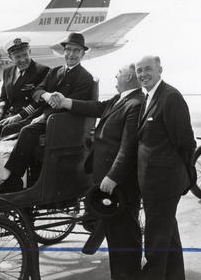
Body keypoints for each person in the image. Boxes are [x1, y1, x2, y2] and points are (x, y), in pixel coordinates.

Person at [55, 63, 144, 280]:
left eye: (119, 72)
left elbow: (128, 146)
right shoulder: (120, 99)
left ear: (129, 76)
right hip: (109, 180)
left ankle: (129, 276)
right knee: (116, 234)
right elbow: (95, 107)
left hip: (120, 183)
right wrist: (65, 101)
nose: (115, 75)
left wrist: (113, 176)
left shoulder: (136, 103)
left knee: (125, 234)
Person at [0, 32, 94, 193]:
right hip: (44, 118)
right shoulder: (55, 72)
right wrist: (47, 95)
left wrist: (44, 115)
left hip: (61, 122)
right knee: (8, 129)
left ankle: (13, 179)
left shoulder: (85, 78)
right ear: (64, 51)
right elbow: (37, 91)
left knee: (26, 131)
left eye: (76, 51)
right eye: (68, 50)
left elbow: (69, 105)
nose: (71, 54)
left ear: (82, 54)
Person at [135, 56, 196, 280]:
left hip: (164, 183)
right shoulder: (148, 97)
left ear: (160, 69)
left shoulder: (170, 97)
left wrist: (185, 175)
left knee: (155, 240)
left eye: (148, 69)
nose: (143, 74)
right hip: (153, 183)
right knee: (167, 235)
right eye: (139, 70)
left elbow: (186, 142)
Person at [0, 37, 49, 152]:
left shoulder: (42, 71)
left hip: (26, 116)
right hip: (7, 113)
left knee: (1, 128)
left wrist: (19, 116)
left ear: (29, 52)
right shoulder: (8, 71)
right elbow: (3, 97)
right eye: (18, 57)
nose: (23, 59)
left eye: (25, 55)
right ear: (11, 58)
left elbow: (38, 102)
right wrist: (0, 109)